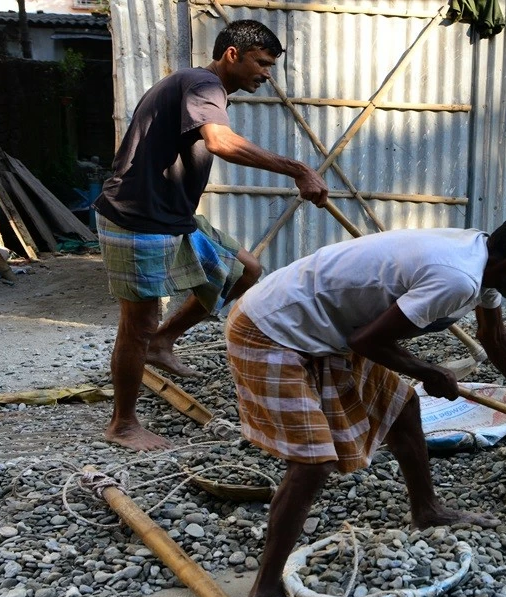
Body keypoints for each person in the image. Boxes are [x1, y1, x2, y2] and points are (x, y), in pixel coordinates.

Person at [226, 208, 506, 597]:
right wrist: (429, 371)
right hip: (272, 329)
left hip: (320, 330)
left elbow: (495, 338)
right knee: (312, 462)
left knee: (403, 406)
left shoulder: (483, 262)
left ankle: (427, 509)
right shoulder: (457, 277)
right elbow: (367, 340)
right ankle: (263, 593)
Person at [93, 19, 329, 452]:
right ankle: (123, 423)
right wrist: (298, 169)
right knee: (137, 323)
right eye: (262, 63)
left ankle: (163, 341)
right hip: (137, 217)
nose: (266, 74)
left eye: (272, 66)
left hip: (174, 215)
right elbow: (220, 143)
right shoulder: (204, 85)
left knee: (246, 271)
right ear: (232, 55)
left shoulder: (203, 87)